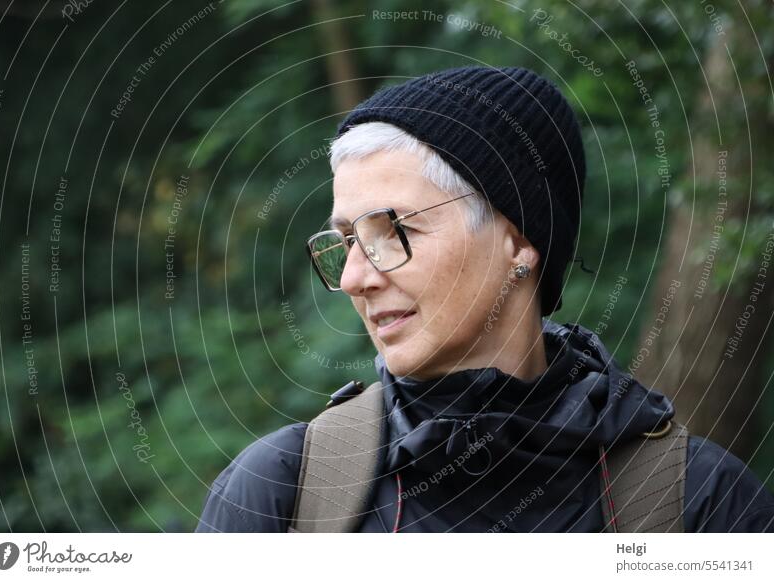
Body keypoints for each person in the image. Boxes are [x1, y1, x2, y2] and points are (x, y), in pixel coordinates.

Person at [196, 65, 774, 532]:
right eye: (346, 241)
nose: (353, 279)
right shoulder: (284, 492)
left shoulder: (699, 505)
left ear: (518, 242)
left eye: (392, 232)